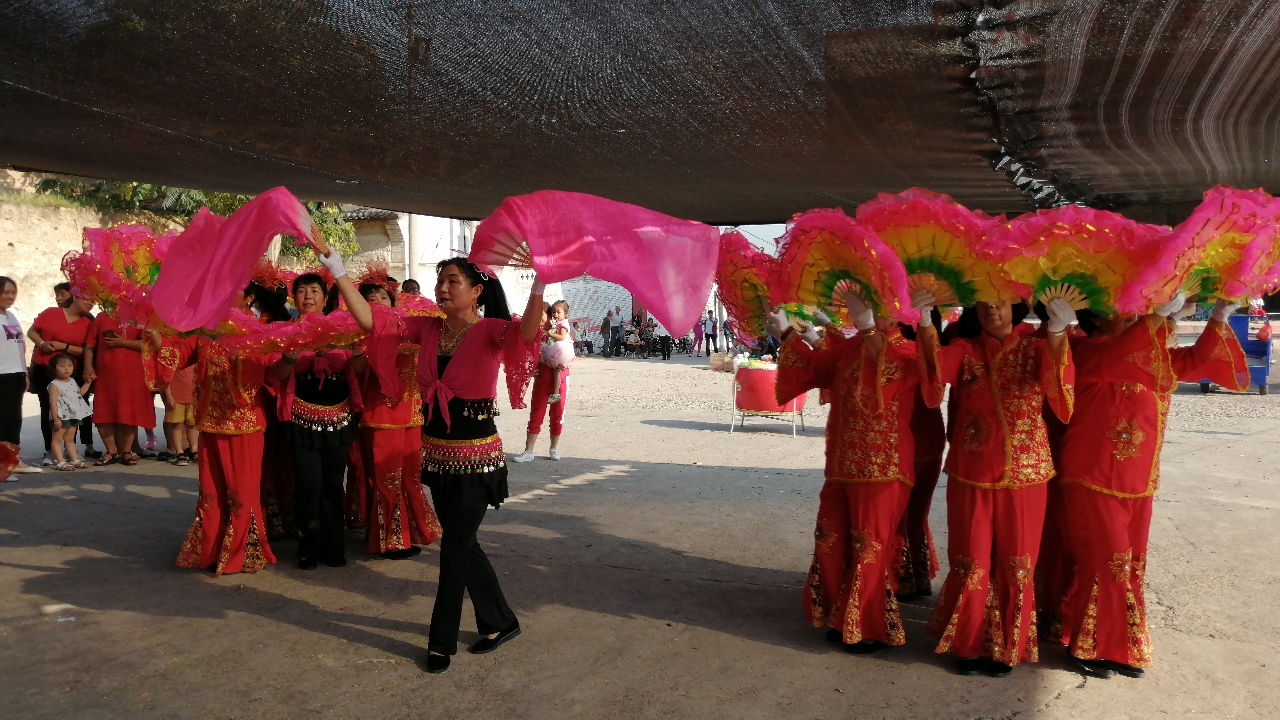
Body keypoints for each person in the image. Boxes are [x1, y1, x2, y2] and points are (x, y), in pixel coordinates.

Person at [334, 252, 543, 675]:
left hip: (477, 460)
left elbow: (529, 329)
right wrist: (337, 271)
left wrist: (542, 281)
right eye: (439, 281)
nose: (442, 288)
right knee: (465, 544)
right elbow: (371, 321)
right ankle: (500, 621)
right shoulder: (427, 328)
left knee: (452, 551)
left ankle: (440, 642)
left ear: (476, 291)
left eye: (453, 281)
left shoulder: (491, 331)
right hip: (438, 458)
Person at [1054, 295, 1246, 679]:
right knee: (1105, 561)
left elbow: (1191, 364)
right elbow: (1122, 354)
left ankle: (1120, 644)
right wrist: (1160, 315)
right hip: (1092, 474)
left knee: (1129, 565)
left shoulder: (1148, 355)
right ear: (1096, 321)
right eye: (1121, 314)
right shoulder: (1088, 352)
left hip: (1139, 479)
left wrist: (1219, 317)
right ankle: (1089, 643)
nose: (1131, 319)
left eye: (1134, 314)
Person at [916, 295, 1076, 678]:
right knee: (971, 559)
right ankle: (968, 645)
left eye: (1000, 303)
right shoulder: (965, 349)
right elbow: (935, 376)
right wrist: (925, 323)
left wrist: (1057, 332)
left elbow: (1060, 391)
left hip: (1026, 472)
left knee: (1018, 563)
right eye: (985, 304)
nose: (993, 309)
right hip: (971, 470)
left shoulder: (1036, 347)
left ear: (1016, 307)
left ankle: (1008, 647)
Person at [769, 294, 923, 655]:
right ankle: (839, 615)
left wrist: (869, 330)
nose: (873, 313)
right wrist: (787, 335)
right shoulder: (851, 347)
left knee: (869, 545)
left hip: (882, 466)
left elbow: (887, 373)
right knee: (831, 538)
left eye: (881, 308)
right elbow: (816, 368)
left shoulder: (908, 352)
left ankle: (868, 626)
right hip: (841, 464)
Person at [144, 286, 277, 576]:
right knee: (211, 493)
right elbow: (175, 355)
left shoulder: (258, 331)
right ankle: (210, 550)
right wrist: (152, 325)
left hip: (245, 424)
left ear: (249, 298)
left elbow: (272, 371)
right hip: (210, 423)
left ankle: (242, 553)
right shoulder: (206, 330)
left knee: (242, 493)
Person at [268, 272, 362, 571]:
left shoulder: (342, 329)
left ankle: (334, 546)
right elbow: (274, 377)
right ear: (292, 298)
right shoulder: (285, 332)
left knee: (333, 486)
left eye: (314, 291)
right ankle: (307, 547)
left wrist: (360, 350)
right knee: (308, 486)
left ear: (325, 297)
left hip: (338, 418)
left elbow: (358, 369)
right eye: (301, 291)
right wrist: (289, 359)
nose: (308, 296)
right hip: (300, 419)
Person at [350, 279, 443, 558]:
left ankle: (411, 533)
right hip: (380, 414)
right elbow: (356, 368)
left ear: (394, 302)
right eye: (370, 297)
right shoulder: (359, 332)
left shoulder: (411, 329)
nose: (377, 300)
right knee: (386, 478)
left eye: (383, 296)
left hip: (412, 414)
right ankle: (389, 539)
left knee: (411, 477)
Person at [27, 291, 94, 464]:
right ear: (77, 296)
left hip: (71, 373)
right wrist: (42, 344)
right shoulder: (51, 313)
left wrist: (64, 346)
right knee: (48, 409)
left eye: (93, 302)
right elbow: (32, 332)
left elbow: (86, 350)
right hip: (46, 369)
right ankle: (51, 450)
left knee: (73, 409)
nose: (91, 304)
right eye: (88, 299)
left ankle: (69, 449)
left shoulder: (88, 323)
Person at [83, 313, 156, 466]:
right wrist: (88, 366)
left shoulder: (138, 317)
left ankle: (126, 451)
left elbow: (149, 345)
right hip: (105, 372)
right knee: (104, 412)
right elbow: (90, 344)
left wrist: (122, 343)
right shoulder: (102, 317)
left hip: (132, 373)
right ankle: (110, 451)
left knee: (128, 412)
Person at [515, 301, 574, 463]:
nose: (536, 318)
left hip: (560, 376)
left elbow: (567, 347)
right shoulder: (536, 332)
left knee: (557, 413)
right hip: (542, 376)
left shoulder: (557, 329)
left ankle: (553, 448)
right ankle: (529, 451)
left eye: (539, 314)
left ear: (547, 314)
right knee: (537, 412)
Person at [0, 276, 41, 475]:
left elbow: (20, 345)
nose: (10, 296)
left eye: (13, 293)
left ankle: (12, 462)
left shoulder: (11, 316)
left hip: (15, 374)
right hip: (1, 375)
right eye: (5, 292)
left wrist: (24, 371)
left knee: (13, 420)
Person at [46, 353, 92, 470]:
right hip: (61, 416)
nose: (66, 369)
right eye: (62, 366)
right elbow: (53, 403)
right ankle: (60, 462)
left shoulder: (72, 380)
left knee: (70, 439)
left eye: (69, 366)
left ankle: (74, 459)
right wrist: (56, 418)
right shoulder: (54, 385)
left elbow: (79, 394)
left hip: (73, 414)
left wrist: (88, 383)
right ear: (54, 368)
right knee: (57, 440)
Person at [160, 363, 196, 465]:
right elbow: (165, 378)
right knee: (176, 425)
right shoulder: (171, 358)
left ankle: (194, 449)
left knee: (192, 425)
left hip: (192, 398)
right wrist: (168, 396)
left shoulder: (193, 358)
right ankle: (179, 452)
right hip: (176, 399)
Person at [541, 300, 574, 404]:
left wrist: (549, 334)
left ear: (566, 314)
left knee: (556, 371)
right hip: (557, 348)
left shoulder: (563, 323)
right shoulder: (557, 323)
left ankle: (556, 393)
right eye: (554, 312)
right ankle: (555, 393)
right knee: (555, 369)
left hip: (561, 349)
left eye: (558, 312)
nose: (555, 314)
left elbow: (561, 337)